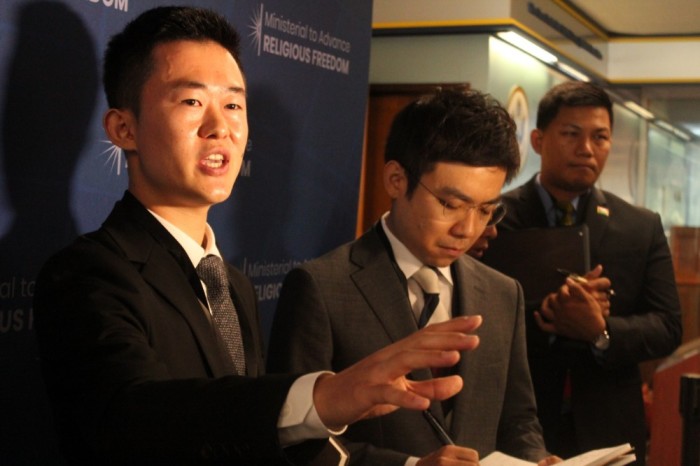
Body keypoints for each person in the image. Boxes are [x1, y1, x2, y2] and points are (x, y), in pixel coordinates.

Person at [32, 7, 486, 465]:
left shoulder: (232, 284)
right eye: (191, 102)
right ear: (123, 128)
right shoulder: (86, 273)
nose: (221, 128)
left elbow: (256, 442)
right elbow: (134, 420)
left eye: (233, 105)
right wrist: (324, 396)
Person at [268, 88, 559, 466]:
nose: (468, 229)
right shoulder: (322, 288)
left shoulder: (504, 294)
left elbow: (518, 418)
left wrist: (535, 458)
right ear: (396, 179)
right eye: (451, 205)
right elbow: (293, 438)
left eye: (487, 210)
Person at [497, 81, 683, 464]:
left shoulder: (640, 226)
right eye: (570, 134)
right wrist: (551, 314)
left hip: (610, 428)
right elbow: (475, 317)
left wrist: (600, 330)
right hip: (515, 425)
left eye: (600, 137)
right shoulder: (495, 219)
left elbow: (668, 326)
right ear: (537, 139)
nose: (586, 149)